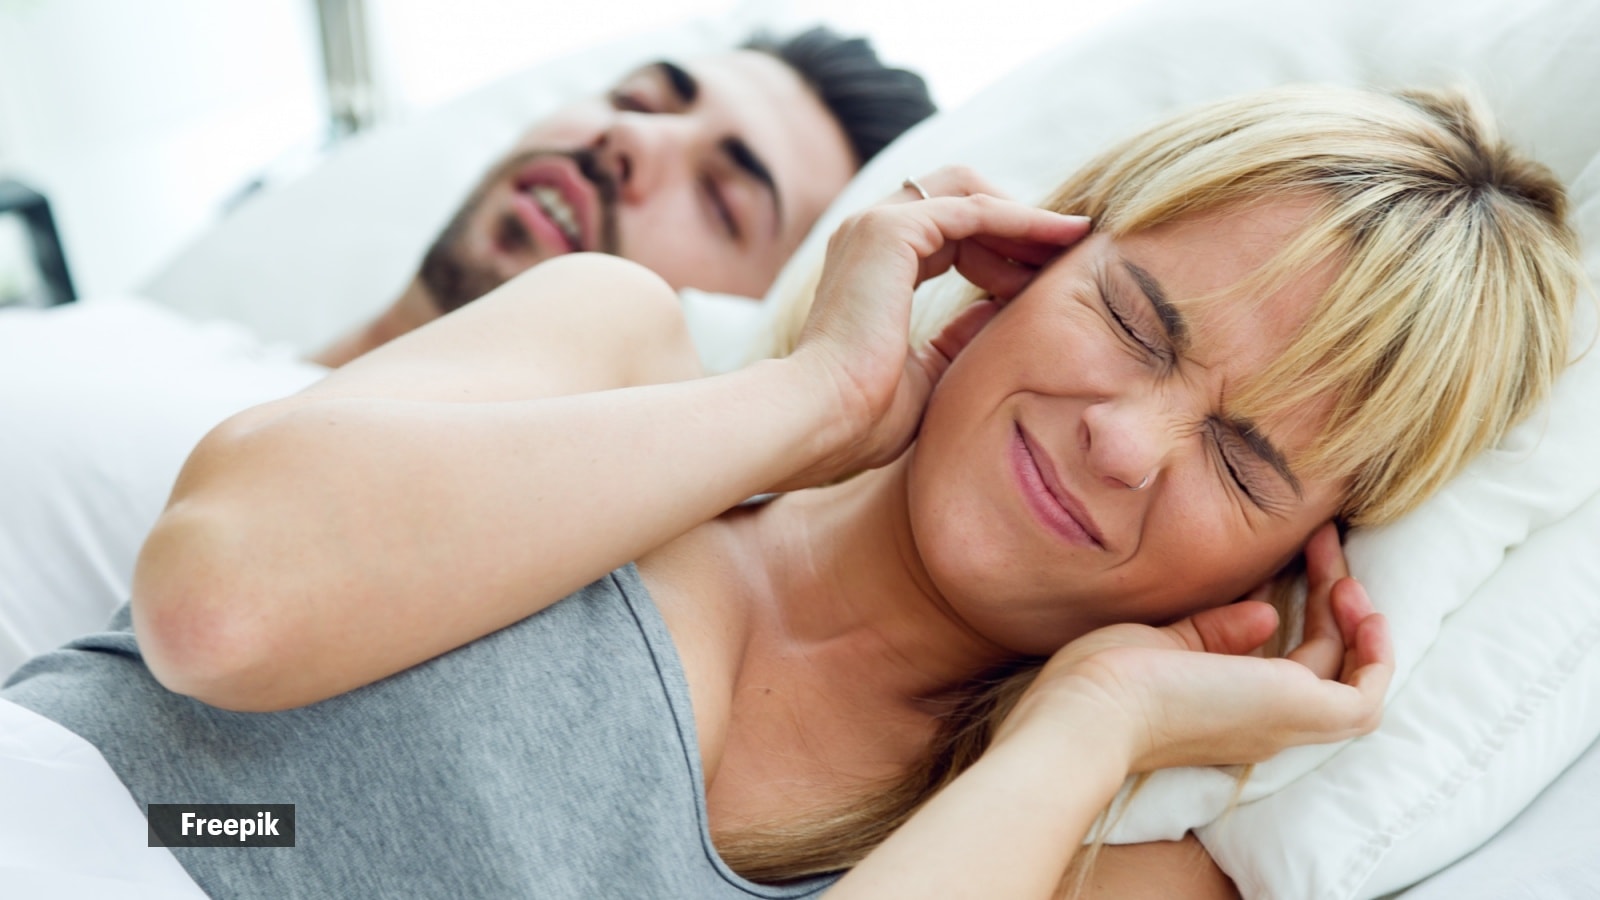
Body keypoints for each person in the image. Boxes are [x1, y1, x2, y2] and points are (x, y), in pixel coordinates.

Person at [2, 84, 1579, 898]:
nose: (1126, 442)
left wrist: (1094, 724)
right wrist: (814, 398)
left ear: (1294, 560)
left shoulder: (1075, 847)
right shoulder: (613, 348)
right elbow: (222, 609)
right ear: (1029, 257)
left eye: (1241, 462)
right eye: (1134, 322)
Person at [0, 27, 935, 676]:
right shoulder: (147, 331)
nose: (629, 139)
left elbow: (221, 829)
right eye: (638, 99)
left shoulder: (432, 570)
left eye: (721, 198)